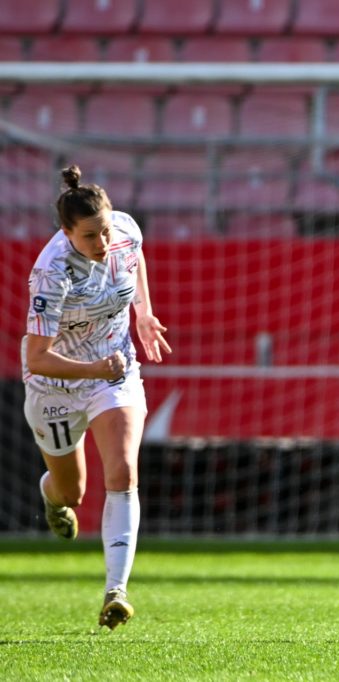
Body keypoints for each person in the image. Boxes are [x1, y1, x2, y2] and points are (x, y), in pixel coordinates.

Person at [23, 165, 172, 629]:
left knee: (123, 471)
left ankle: (116, 591)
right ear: (66, 233)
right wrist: (91, 369)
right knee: (73, 491)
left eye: (105, 230)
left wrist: (143, 313)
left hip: (115, 371)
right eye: (90, 236)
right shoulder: (51, 274)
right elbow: (36, 358)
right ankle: (52, 497)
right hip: (57, 386)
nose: (103, 242)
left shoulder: (124, 229)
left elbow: (135, 257)